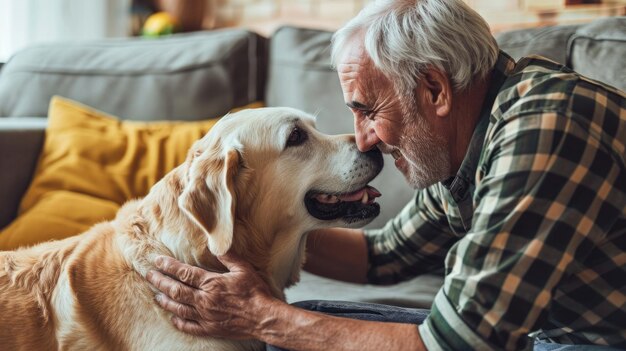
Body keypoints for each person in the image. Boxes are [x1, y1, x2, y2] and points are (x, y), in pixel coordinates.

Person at [146, 0, 626, 350]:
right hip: (544, 336)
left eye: (367, 110)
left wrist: (261, 317)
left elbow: (457, 342)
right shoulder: (475, 133)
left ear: (434, 89)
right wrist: (248, 218)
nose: (363, 138)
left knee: (279, 335)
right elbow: (385, 255)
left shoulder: (546, 126)